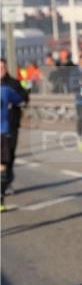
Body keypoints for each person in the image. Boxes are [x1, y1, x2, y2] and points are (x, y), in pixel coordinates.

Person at [1, 59, 26, 212]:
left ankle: (3, 189)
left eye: (3, 67)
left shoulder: (12, 85)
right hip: (3, 131)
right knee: (2, 166)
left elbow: (23, 99)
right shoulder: (6, 91)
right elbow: (21, 100)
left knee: (6, 161)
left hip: (9, 128)